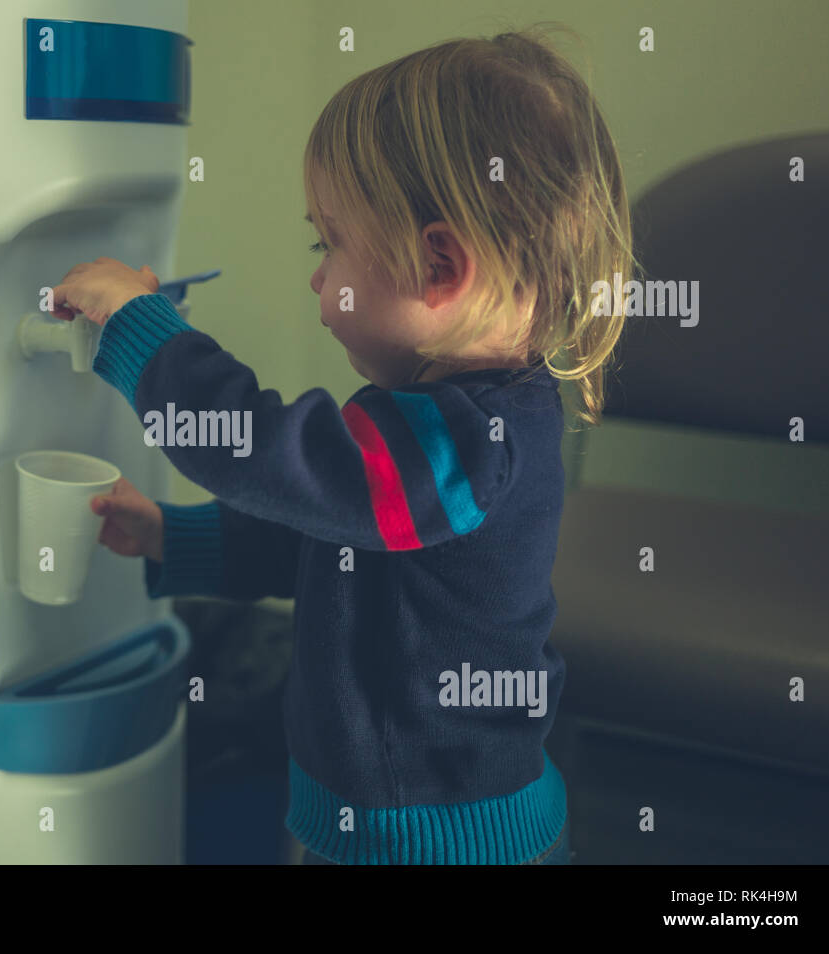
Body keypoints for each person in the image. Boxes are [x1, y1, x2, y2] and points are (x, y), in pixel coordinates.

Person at [50, 25, 631, 864]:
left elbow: (269, 454)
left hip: (435, 843)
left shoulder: (471, 443)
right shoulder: (442, 425)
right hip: (380, 820)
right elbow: (338, 542)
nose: (319, 276)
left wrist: (144, 334)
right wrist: (181, 540)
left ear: (440, 266)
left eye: (332, 243)